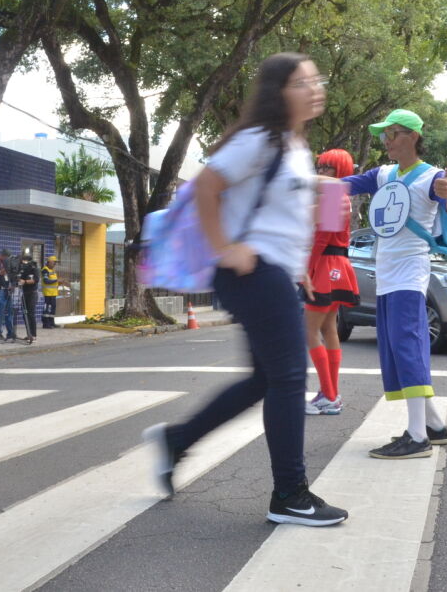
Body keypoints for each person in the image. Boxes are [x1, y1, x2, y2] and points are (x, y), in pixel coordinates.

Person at [143, 52, 347, 526]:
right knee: (290, 377)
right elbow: (207, 187)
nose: (314, 88)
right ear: (278, 92)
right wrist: (225, 246)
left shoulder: (295, 147)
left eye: (317, 80)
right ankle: (290, 495)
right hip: (251, 271)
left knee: (266, 379)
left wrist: (301, 268)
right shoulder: (260, 140)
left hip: (273, 273)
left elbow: (282, 217)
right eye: (302, 82)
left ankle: (177, 440)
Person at [342, 108, 447, 459]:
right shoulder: (384, 174)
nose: (386, 141)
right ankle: (435, 427)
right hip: (386, 275)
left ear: (411, 135)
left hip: (410, 273)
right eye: (383, 136)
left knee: (408, 346)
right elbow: (346, 184)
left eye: (391, 134)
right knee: (397, 348)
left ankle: (416, 437)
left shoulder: (431, 178)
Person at [303, 149, 359, 415]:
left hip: (326, 265)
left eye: (327, 167)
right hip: (339, 266)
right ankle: (330, 394)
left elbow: (321, 239)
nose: (322, 171)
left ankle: (329, 395)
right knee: (328, 328)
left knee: (310, 329)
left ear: (340, 170)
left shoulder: (335, 195)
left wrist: (308, 269)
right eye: (320, 166)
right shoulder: (342, 196)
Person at [17, 250, 39, 343]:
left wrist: (25, 282)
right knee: (25, 313)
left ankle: (33, 335)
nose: (23, 263)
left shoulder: (34, 269)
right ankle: (28, 333)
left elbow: (36, 280)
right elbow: (20, 278)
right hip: (24, 293)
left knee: (31, 314)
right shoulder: (24, 270)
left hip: (32, 293)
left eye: (24, 261)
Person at [41, 255, 59, 329]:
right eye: (54, 262)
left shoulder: (53, 271)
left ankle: (52, 323)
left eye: (55, 262)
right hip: (48, 293)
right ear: (49, 262)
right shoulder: (45, 270)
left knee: (52, 308)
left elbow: (54, 282)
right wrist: (57, 280)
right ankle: (46, 324)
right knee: (47, 309)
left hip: (53, 293)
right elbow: (46, 281)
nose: (55, 264)